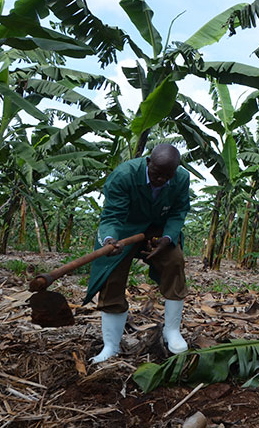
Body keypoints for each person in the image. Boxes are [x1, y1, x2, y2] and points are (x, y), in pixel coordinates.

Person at [84, 144, 191, 363]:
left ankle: (171, 331)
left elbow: (179, 211)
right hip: (124, 228)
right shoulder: (123, 176)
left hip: (158, 230)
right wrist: (110, 240)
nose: (161, 180)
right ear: (147, 162)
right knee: (111, 274)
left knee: (174, 262)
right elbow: (112, 215)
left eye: (167, 176)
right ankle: (111, 346)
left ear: (176, 170)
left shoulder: (181, 178)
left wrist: (168, 238)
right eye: (156, 174)